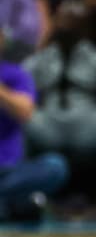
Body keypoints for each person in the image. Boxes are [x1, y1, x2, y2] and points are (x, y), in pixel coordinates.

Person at [22, 1, 96, 220]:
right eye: (62, 21)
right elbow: (19, 87)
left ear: (84, 28)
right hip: (48, 123)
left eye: (73, 22)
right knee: (15, 117)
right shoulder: (39, 60)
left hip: (86, 123)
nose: (66, 28)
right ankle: (22, 189)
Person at [0, 52, 62, 222]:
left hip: (9, 171)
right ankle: (12, 205)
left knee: (55, 166)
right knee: (24, 205)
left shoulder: (16, 74)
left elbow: (24, 111)